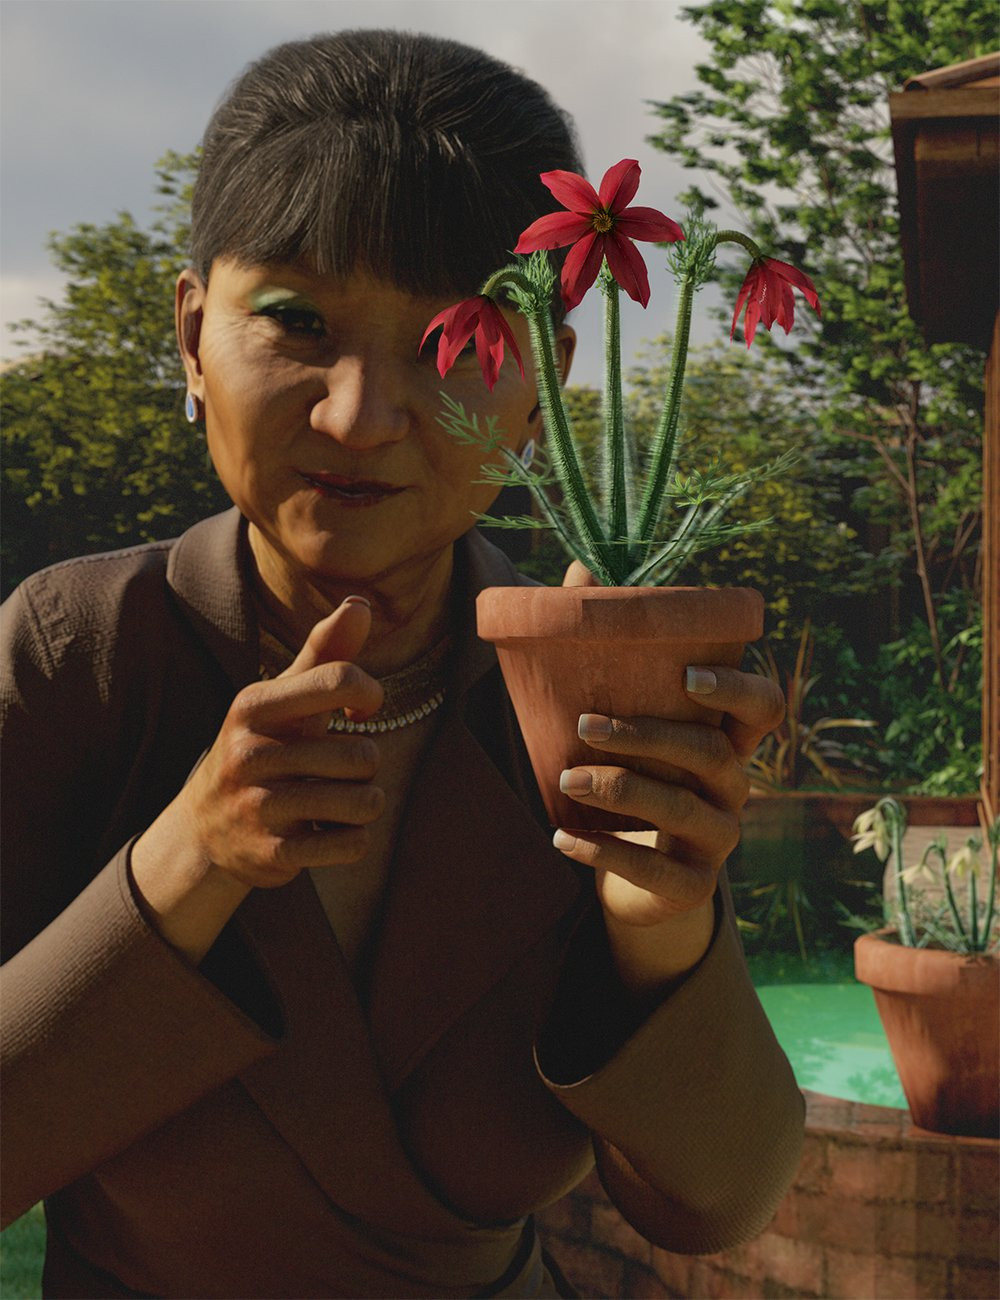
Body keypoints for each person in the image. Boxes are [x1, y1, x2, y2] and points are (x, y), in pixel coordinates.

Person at [0, 29, 803, 1300]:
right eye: (297, 321)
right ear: (191, 333)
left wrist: (661, 925)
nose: (359, 414)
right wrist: (187, 861)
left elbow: (723, 1199)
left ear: (541, 387)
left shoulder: (588, 688)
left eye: (451, 342)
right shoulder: (79, 654)